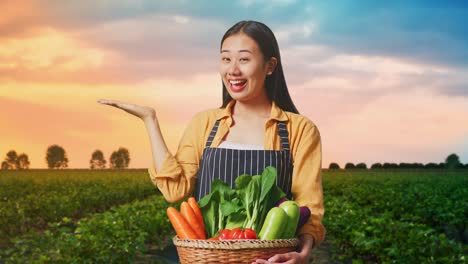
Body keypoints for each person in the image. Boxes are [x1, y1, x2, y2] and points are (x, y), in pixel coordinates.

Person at [98, 20, 325, 264]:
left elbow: (308, 205)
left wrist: (304, 253)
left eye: (244, 59)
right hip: (208, 258)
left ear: (270, 66)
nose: (233, 70)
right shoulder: (205, 124)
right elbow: (175, 191)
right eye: (226, 59)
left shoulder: (299, 129)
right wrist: (150, 120)